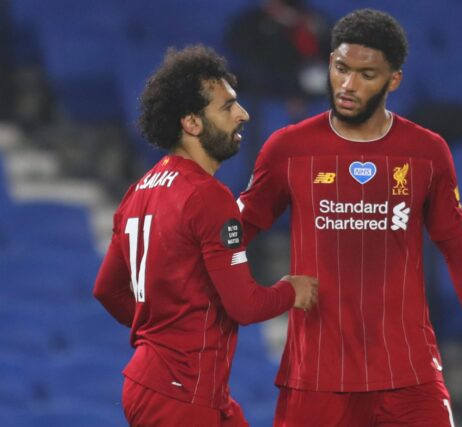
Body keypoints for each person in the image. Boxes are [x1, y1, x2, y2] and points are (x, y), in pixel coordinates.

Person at [238, 9, 462, 426]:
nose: (348, 85)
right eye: (341, 68)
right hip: (316, 377)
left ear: (393, 80)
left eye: (366, 74)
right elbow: (242, 227)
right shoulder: (288, 148)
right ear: (329, 63)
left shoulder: (426, 152)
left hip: (408, 374)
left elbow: (458, 250)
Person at [93, 45, 318, 427]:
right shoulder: (208, 196)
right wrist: (293, 290)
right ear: (192, 123)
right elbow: (244, 306)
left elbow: (107, 290)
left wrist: (165, 334)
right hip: (180, 395)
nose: (242, 114)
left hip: (170, 386)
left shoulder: (140, 191)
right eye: (227, 106)